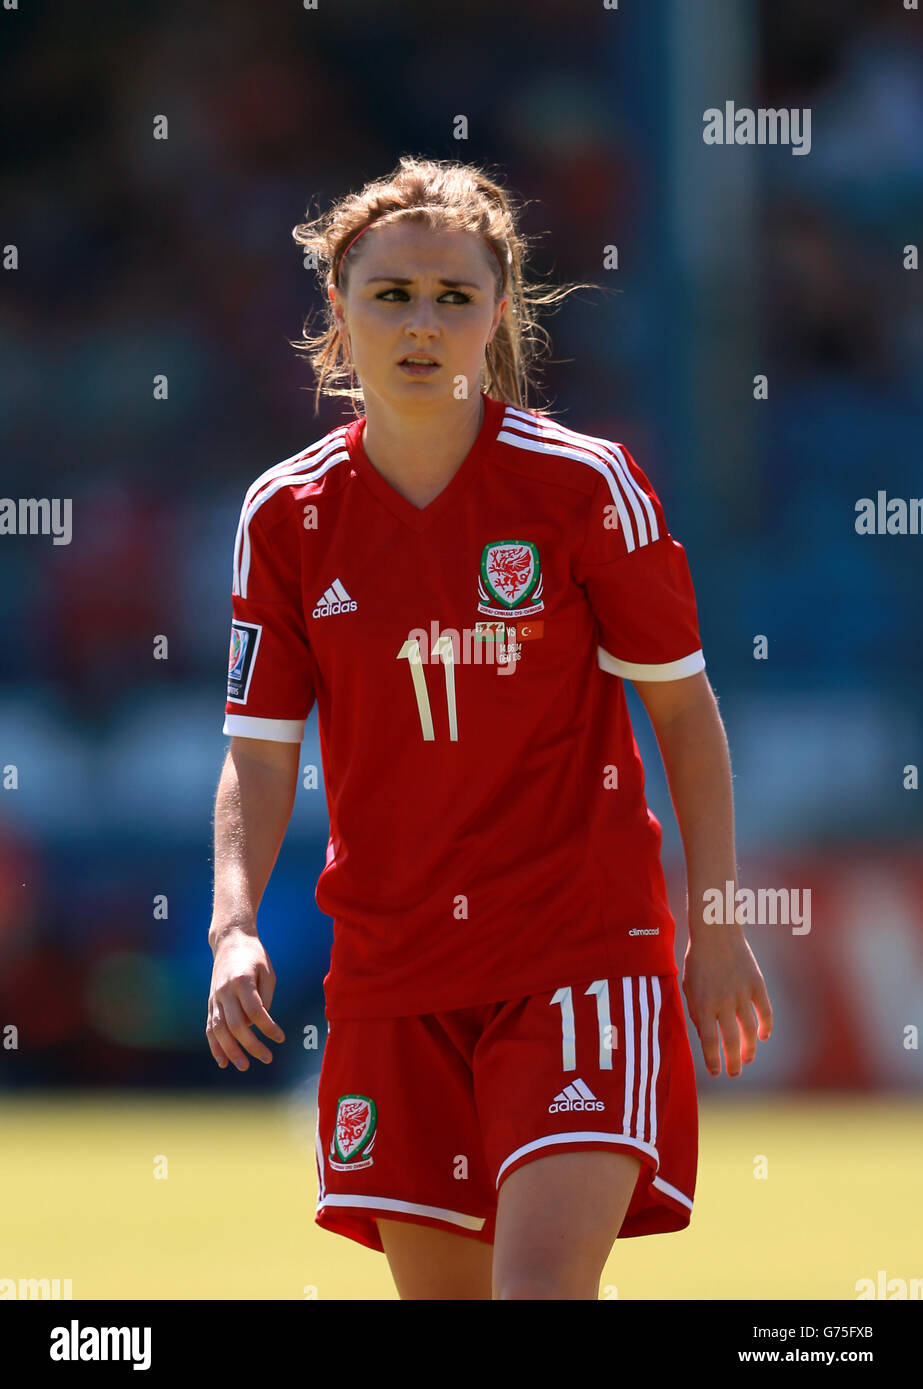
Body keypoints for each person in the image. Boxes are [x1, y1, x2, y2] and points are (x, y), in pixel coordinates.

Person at [207, 155, 773, 1301]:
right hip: (391, 976)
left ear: (498, 315)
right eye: (392, 295)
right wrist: (232, 924)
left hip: (575, 956)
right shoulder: (285, 515)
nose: (422, 323)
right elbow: (258, 756)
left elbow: (683, 714)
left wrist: (713, 925)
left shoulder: (585, 487)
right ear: (338, 309)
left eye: (454, 297)